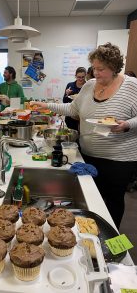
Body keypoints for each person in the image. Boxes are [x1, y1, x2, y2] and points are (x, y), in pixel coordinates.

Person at [31, 43, 137, 229]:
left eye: (101, 69)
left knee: (112, 201)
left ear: (114, 67)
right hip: (87, 155)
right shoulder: (89, 86)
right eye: (94, 68)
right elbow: (72, 109)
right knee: (89, 200)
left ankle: (109, 240)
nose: (95, 73)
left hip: (119, 160)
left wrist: (127, 124)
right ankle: (90, 236)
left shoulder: (131, 86)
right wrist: (46, 106)